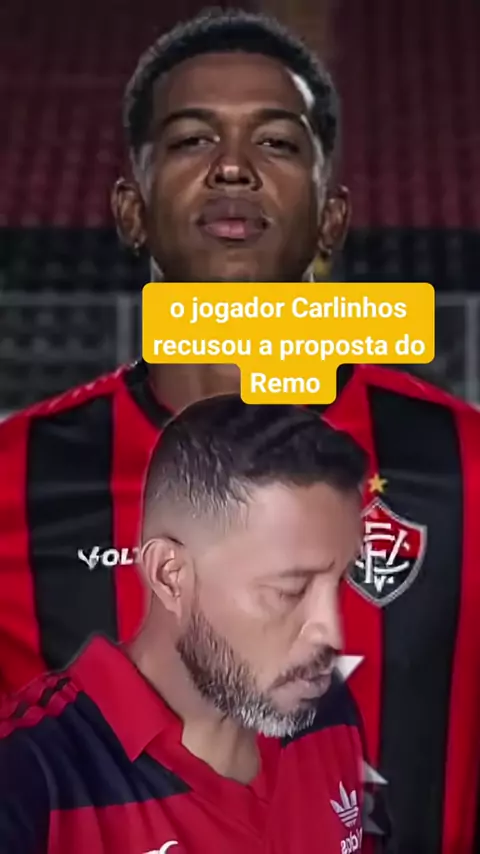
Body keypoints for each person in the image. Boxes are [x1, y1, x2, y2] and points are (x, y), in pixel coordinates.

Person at [0, 8, 478, 853]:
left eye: (277, 143)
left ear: (332, 220)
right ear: (130, 210)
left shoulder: (465, 466)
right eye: (192, 140)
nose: (232, 167)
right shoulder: (13, 479)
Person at [0, 396, 367, 854]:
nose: (331, 633)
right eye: (289, 591)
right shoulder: (27, 776)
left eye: (341, 580)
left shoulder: (326, 712)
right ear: (170, 576)